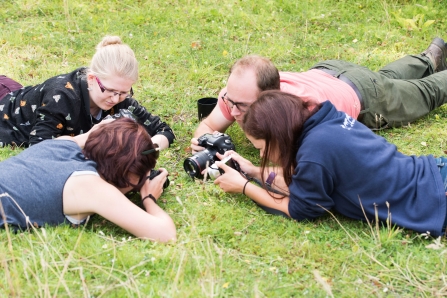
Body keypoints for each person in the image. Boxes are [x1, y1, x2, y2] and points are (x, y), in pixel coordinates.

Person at [212, 90, 447, 237]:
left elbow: (300, 209)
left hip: (435, 199)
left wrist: (243, 187)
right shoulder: (325, 121)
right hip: (435, 172)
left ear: (278, 136)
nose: (262, 155)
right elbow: (303, 179)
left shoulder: (315, 152)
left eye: (261, 148)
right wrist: (253, 171)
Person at [191, 37, 447, 152]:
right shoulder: (239, 92)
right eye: (230, 102)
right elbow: (208, 126)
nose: (233, 112)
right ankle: (427, 58)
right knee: (384, 79)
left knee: (424, 94)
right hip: (331, 71)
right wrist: (205, 143)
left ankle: (430, 63)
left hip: (366, 96)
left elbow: (285, 171)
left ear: (272, 97)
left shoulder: (298, 114)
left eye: (243, 107)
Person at [0, 118, 176, 242]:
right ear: (124, 176)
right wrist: (149, 198)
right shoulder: (91, 187)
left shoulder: (61, 144)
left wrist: (109, 131)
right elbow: (165, 234)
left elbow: (87, 137)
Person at [0, 35, 175, 149]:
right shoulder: (62, 97)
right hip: (6, 109)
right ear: (91, 79)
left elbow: (163, 130)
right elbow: (39, 149)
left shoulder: (122, 98)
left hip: (24, 96)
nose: (115, 99)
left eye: (123, 92)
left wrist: (148, 149)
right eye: (110, 90)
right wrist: (90, 137)